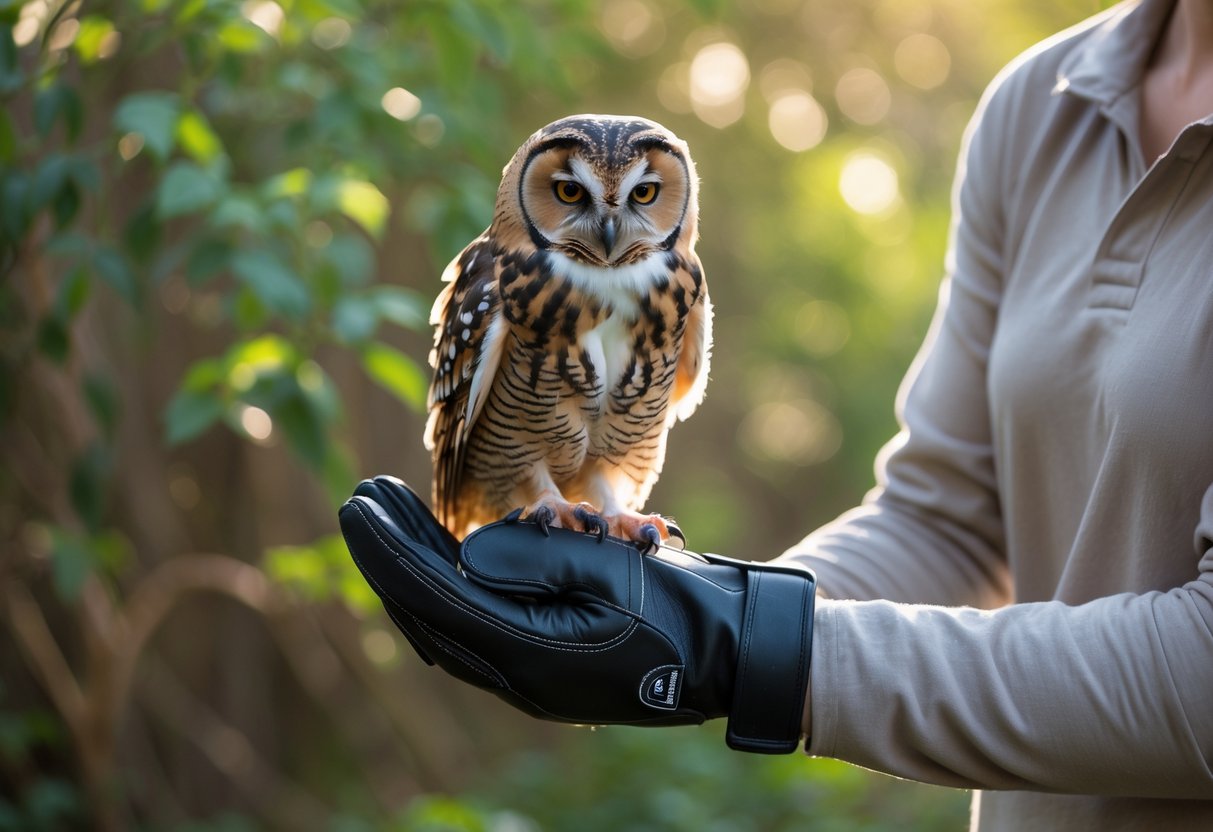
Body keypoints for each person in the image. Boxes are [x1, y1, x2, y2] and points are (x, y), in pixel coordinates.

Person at [339, 0, 1213, 827]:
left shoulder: (677, 292)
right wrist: (684, 604)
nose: (609, 230)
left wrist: (745, 645)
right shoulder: (1041, 103)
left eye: (643, 199)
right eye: (571, 198)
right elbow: (952, 521)